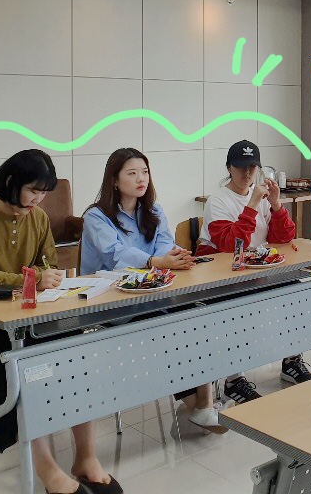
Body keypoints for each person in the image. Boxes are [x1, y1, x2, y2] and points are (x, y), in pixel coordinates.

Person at [0, 150, 120, 494]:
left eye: (43, 193)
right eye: (33, 191)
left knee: (75, 352)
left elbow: (47, 263)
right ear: (10, 182)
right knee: (17, 367)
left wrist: (44, 277)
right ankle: (47, 470)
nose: (38, 200)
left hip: (27, 313)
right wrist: (31, 278)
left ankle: (86, 458)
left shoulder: (37, 218)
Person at [81, 148, 227, 434]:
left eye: (145, 172)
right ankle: (199, 406)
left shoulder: (153, 211)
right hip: (113, 304)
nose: (141, 179)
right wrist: (155, 262)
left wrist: (170, 258)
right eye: (132, 173)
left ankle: (204, 405)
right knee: (166, 329)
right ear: (114, 180)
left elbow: (164, 244)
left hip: (154, 295)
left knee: (199, 316)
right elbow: (115, 253)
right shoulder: (96, 216)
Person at [197, 139, 311, 402]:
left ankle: (291, 361)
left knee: (296, 291)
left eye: (252, 167)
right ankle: (233, 380)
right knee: (236, 306)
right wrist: (251, 205)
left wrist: (276, 205)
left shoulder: (261, 197)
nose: (247, 173)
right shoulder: (218, 201)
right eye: (241, 167)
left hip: (256, 271)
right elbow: (231, 246)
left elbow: (283, 238)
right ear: (229, 168)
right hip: (223, 274)